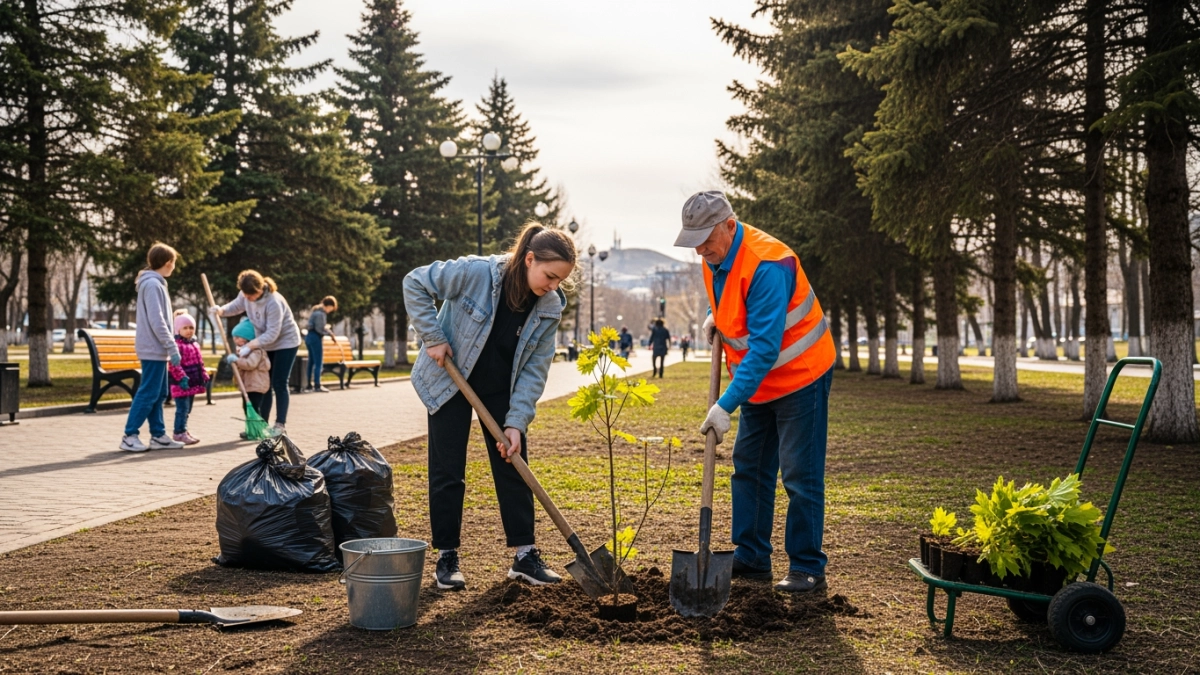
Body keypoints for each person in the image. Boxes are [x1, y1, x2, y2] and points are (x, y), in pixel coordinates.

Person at [675, 190, 835, 594]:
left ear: (730, 225)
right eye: (693, 243)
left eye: (706, 240)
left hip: (800, 375)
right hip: (760, 382)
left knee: (799, 473)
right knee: (750, 466)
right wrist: (720, 319)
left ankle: (807, 566)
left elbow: (765, 347)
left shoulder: (768, 264)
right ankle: (751, 555)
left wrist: (725, 404)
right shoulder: (714, 256)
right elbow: (737, 301)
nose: (701, 252)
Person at [403, 222, 576, 591]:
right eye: (549, 276)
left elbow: (534, 370)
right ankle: (446, 556)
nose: (553, 286)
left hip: (501, 390)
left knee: (513, 462)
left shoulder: (548, 307)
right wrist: (432, 337)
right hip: (451, 379)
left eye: (560, 280)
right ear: (529, 258)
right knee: (448, 469)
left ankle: (525, 555)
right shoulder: (477, 272)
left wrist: (516, 421)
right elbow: (415, 282)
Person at [212, 270, 301, 436]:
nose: (246, 298)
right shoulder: (245, 294)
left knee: (279, 383)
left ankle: (280, 425)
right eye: (244, 294)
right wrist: (221, 311)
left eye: (249, 295)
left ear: (259, 290)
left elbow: (273, 333)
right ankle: (261, 426)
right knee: (264, 384)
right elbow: (236, 306)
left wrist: (250, 346)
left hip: (285, 343)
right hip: (264, 342)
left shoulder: (274, 302)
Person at [118, 243, 186, 452]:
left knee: (160, 391)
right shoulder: (153, 285)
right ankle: (130, 435)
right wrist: (172, 346)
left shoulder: (157, 283)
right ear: (167, 263)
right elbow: (157, 321)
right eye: (173, 263)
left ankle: (158, 435)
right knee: (148, 392)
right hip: (153, 348)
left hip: (157, 349)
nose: (174, 267)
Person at [169, 310, 210, 445]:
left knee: (188, 409)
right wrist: (181, 378)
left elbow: (200, 361)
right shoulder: (177, 345)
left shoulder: (194, 344)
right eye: (185, 328)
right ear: (178, 329)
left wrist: (203, 373)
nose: (189, 330)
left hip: (193, 381)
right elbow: (174, 365)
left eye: (191, 327)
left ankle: (184, 430)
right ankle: (178, 432)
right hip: (181, 382)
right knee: (182, 408)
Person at [226, 319, 271, 425]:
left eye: (237, 337)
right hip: (248, 385)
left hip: (256, 385)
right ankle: (252, 428)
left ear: (248, 338)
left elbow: (250, 364)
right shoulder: (245, 351)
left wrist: (237, 360)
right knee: (246, 407)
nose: (235, 340)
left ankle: (258, 428)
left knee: (254, 408)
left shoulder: (256, 351)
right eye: (234, 337)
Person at [305, 296, 338, 393]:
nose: (330, 311)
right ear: (328, 305)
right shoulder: (321, 314)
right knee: (318, 362)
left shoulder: (315, 311)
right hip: (315, 337)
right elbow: (320, 329)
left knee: (311, 362)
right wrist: (330, 333)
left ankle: (308, 384)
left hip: (309, 337)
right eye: (331, 308)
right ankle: (317, 384)